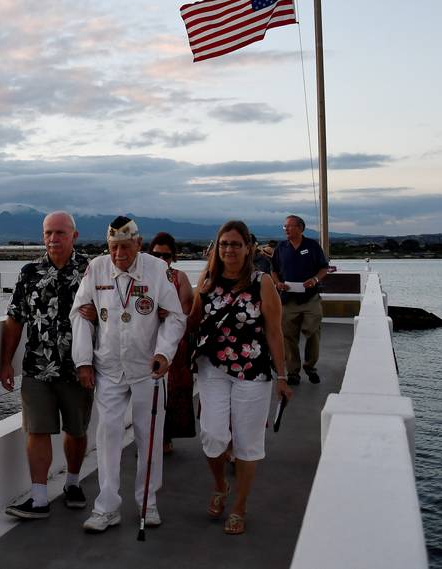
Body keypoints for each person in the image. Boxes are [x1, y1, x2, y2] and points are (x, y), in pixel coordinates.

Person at [70, 216, 186, 532]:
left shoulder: (156, 269)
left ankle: (147, 503)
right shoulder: (96, 269)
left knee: (149, 437)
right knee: (107, 436)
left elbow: (175, 317)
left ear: (138, 243)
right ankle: (107, 507)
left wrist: (164, 353)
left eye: (125, 247)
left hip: (147, 369)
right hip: (107, 367)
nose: (119, 254)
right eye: (113, 247)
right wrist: (82, 361)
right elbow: (79, 315)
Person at [190, 220, 292, 535]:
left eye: (236, 244)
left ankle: (240, 506)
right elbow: (192, 322)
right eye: (224, 244)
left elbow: (275, 333)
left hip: (252, 371)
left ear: (247, 248)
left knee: (248, 444)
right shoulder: (207, 280)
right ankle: (221, 484)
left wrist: (283, 377)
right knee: (213, 435)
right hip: (213, 369)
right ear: (216, 248)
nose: (229, 250)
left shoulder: (262, 283)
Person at [0, 211, 93, 519]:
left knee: (76, 429)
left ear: (74, 237)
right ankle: (39, 498)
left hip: (78, 367)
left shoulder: (92, 271)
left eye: (60, 233)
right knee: (37, 430)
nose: (54, 239)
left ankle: (72, 483)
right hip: (37, 367)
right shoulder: (29, 273)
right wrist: (5, 363)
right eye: (48, 233)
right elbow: (14, 320)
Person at [147, 232, 195, 454]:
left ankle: (165, 439)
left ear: (173, 257)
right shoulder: (142, 278)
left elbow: (186, 311)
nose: (161, 259)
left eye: (166, 255)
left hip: (173, 345)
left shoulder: (180, 278)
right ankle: (149, 438)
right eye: (156, 254)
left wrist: (170, 313)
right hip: (146, 343)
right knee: (147, 395)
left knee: (173, 393)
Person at [270, 215, 329, 385]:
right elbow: (273, 270)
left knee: (313, 332)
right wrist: (278, 283)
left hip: (310, 298)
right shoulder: (281, 248)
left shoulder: (312, 246)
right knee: (288, 337)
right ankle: (293, 372)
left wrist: (315, 280)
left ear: (300, 228)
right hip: (288, 300)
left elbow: (324, 268)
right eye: (284, 227)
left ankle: (310, 367)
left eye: (289, 226)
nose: (286, 229)